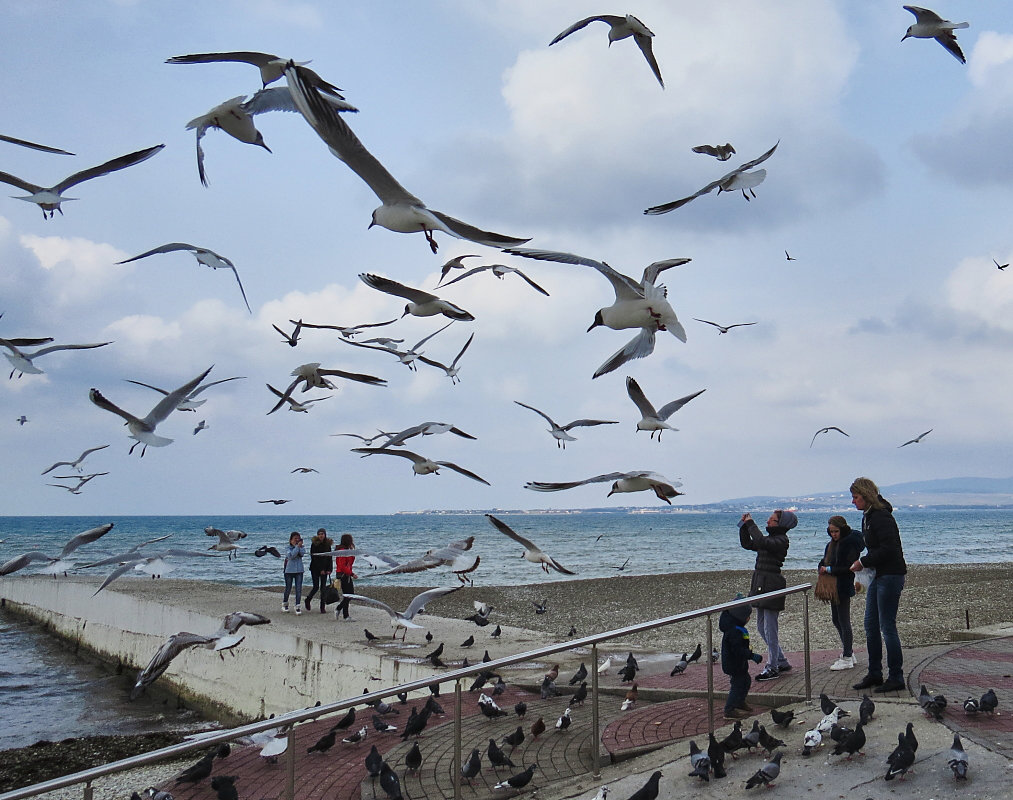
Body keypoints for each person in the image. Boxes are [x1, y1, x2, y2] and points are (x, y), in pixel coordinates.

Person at [849, 477, 907, 693]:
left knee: (887, 626)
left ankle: (896, 676)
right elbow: (875, 549)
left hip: (891, 576)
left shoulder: (881, 517)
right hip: (877, 575)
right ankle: (875, 673)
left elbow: (889, 549)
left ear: (865, 495)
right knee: (870, 625)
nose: (853, 502)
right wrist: (864, 563)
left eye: (855, 497)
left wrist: (863, 562)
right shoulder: (868, 517)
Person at [738, 509, 796, 680]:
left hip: (772, 585)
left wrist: (750, 523)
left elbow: (761, 541)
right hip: (761, 583)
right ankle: (781, 660)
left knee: (770, 629)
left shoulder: (781, 540)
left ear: (781, 524)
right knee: (761, 627)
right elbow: (748, 544)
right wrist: (743, 527)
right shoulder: (770, 539)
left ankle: (772, 666)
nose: (768, 522)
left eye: (772, 520)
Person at [818, 515, 865, 670]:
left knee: (843, 620)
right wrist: (822, 566)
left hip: (843, 586)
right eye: (831, 532)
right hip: (834, 587)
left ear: (842, 530)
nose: (834, 534)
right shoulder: (832, 545)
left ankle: (847, 656)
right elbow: (826, 560)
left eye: (836, 531)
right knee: (836, 619)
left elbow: (847, 566)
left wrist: (829, 569)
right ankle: (848, 651)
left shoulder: (848, 544)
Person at [720, 596, 764, 720]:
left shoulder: (736, 629)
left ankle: (739, 701)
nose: (749, 619)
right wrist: (751, 655)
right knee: (738, 684)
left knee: (745, 681)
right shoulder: (734, 632)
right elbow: (738, 650)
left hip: (739, 663)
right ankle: (729, 709)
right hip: (733, 663)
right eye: (747, 617)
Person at [304, 528, 334, 614]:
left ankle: (322, 607)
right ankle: (308, 599)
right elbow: (314, 558)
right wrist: (321, 569)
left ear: (325, 535)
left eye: (322, 534)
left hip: (325, 568)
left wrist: (329, 569)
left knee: (323, 588)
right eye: (319, 534)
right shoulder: (314, 544)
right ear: (317, 535)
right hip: (315, 568)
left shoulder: (328, 545)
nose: (321, 535)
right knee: (316, 586)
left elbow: (329, 557)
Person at [333, 533, 358, 621]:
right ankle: (342, 611)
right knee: (349, 594)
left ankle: (343, 613)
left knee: (349, 594)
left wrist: (352, 551)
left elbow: (350, 562)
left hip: (345, 574)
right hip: (343, 575)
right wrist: (351, 574)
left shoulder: (346, 550)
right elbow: (343, 566)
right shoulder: (342, 551)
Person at [282, 531, 305, 615]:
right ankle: (285, 604)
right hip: (289, 570)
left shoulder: (301, 547)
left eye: (298, 539)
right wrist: (297, 548)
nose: (297, 540)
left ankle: (298, 606)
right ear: (291, 540)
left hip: (299, 570)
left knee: (298, 589)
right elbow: (291, 556)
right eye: (295, 539)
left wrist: (299, 547)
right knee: (288, 588)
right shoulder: (287, 548)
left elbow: (302, 553)